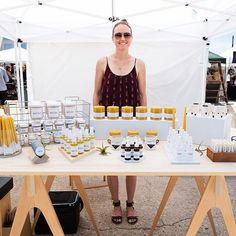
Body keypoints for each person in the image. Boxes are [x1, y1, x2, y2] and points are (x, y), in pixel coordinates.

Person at [93, 19, 147, 225]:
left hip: (133, 121)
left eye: (126, 35)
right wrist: (97, 121)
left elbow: (142, 95)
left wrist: (143, 123)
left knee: (132, 162)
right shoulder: (102, 62)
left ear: (131, 38)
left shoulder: (139, 63)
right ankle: (116, 203)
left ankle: (130, 203)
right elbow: (96, 93)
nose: (122, 39)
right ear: (113, 38)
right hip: (107, 121)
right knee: (111, 163)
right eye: (118, 35)